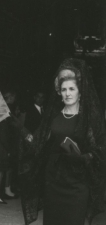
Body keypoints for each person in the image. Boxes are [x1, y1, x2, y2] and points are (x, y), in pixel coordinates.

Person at [18, 58, 106, 225]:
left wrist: (83, 157)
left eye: (72, 89)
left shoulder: (88, 119)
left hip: (78, 184)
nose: (68, 93)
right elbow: (37, 144)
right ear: (59, 92)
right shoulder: (53, 117)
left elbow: (100, 152)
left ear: (80, 92)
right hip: (54, 183)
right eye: (64, 89)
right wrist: (21, 130)